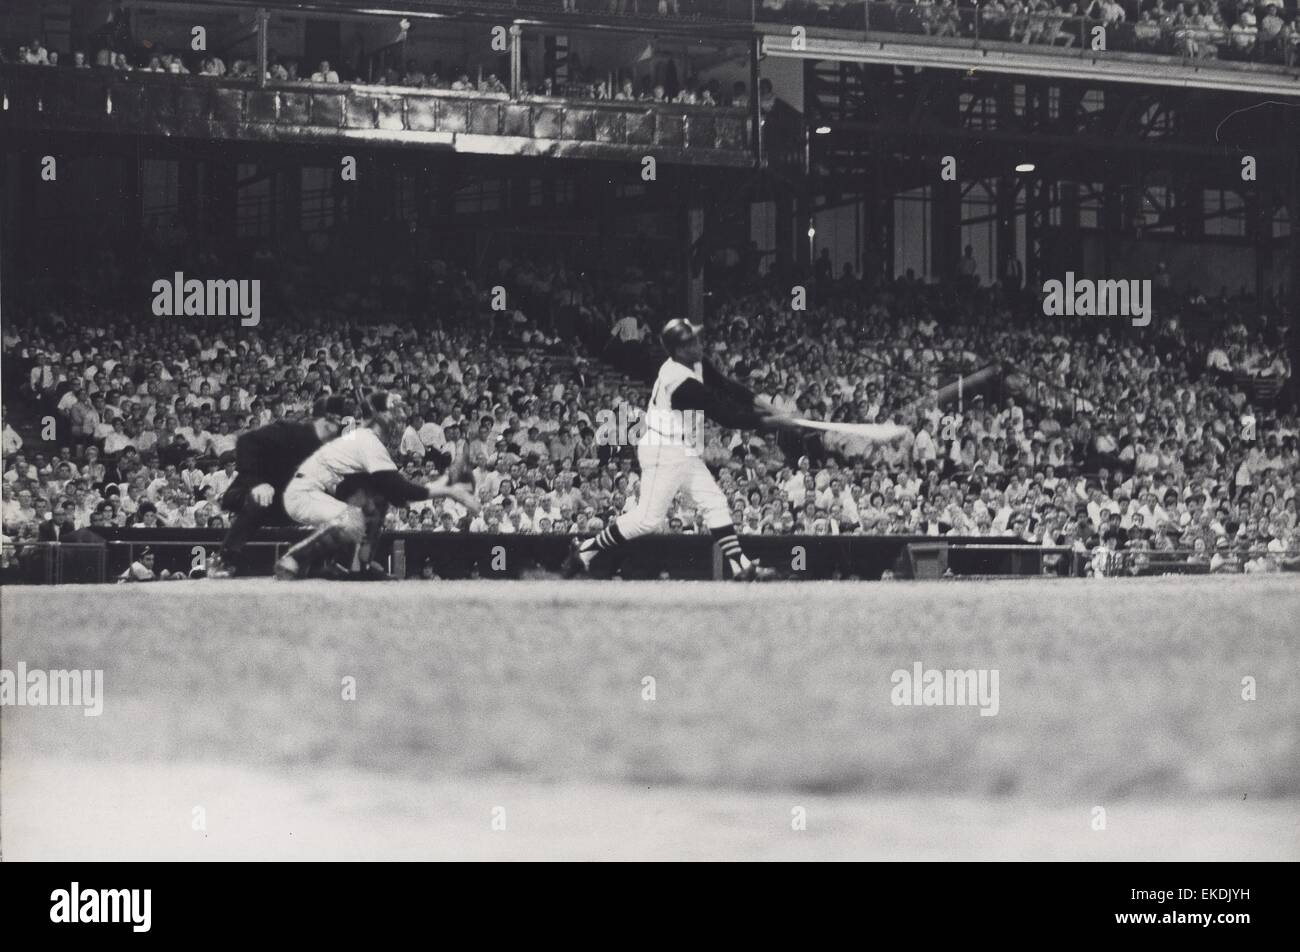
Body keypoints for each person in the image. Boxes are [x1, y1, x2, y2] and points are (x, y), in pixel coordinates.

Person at [565, 320, 798, 580]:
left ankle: (741, 567)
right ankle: (584, 550)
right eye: (691, 342)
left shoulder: (694, 361)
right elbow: (727, 416)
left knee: (714, 501)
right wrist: (772, 422)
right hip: (663, 449)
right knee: (646, 520)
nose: (698, 345)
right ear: (678, 350)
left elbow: (726, 385)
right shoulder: (680, 383)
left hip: (680, 446)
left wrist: (772, 409)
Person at [276, 392, 479, 580]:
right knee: (354, 518)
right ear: (376, 414)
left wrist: (443, 482)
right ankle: (294, 560)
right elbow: (401, 489)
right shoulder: (366, 440)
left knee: (378, 501)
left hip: (322, 492)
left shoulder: (366, 440)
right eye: (394, 408)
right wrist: (449, 490)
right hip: (305, 494)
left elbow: (395, 494)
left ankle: (359, 567)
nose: (401, 414)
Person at [211, 395, 352, 577]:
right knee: (261, 498)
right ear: (328, 421)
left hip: (288, 504)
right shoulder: (290, 431)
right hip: (251, 494)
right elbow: (246, 441)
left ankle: (323, 565)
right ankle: (223, 560)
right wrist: (257, 483)